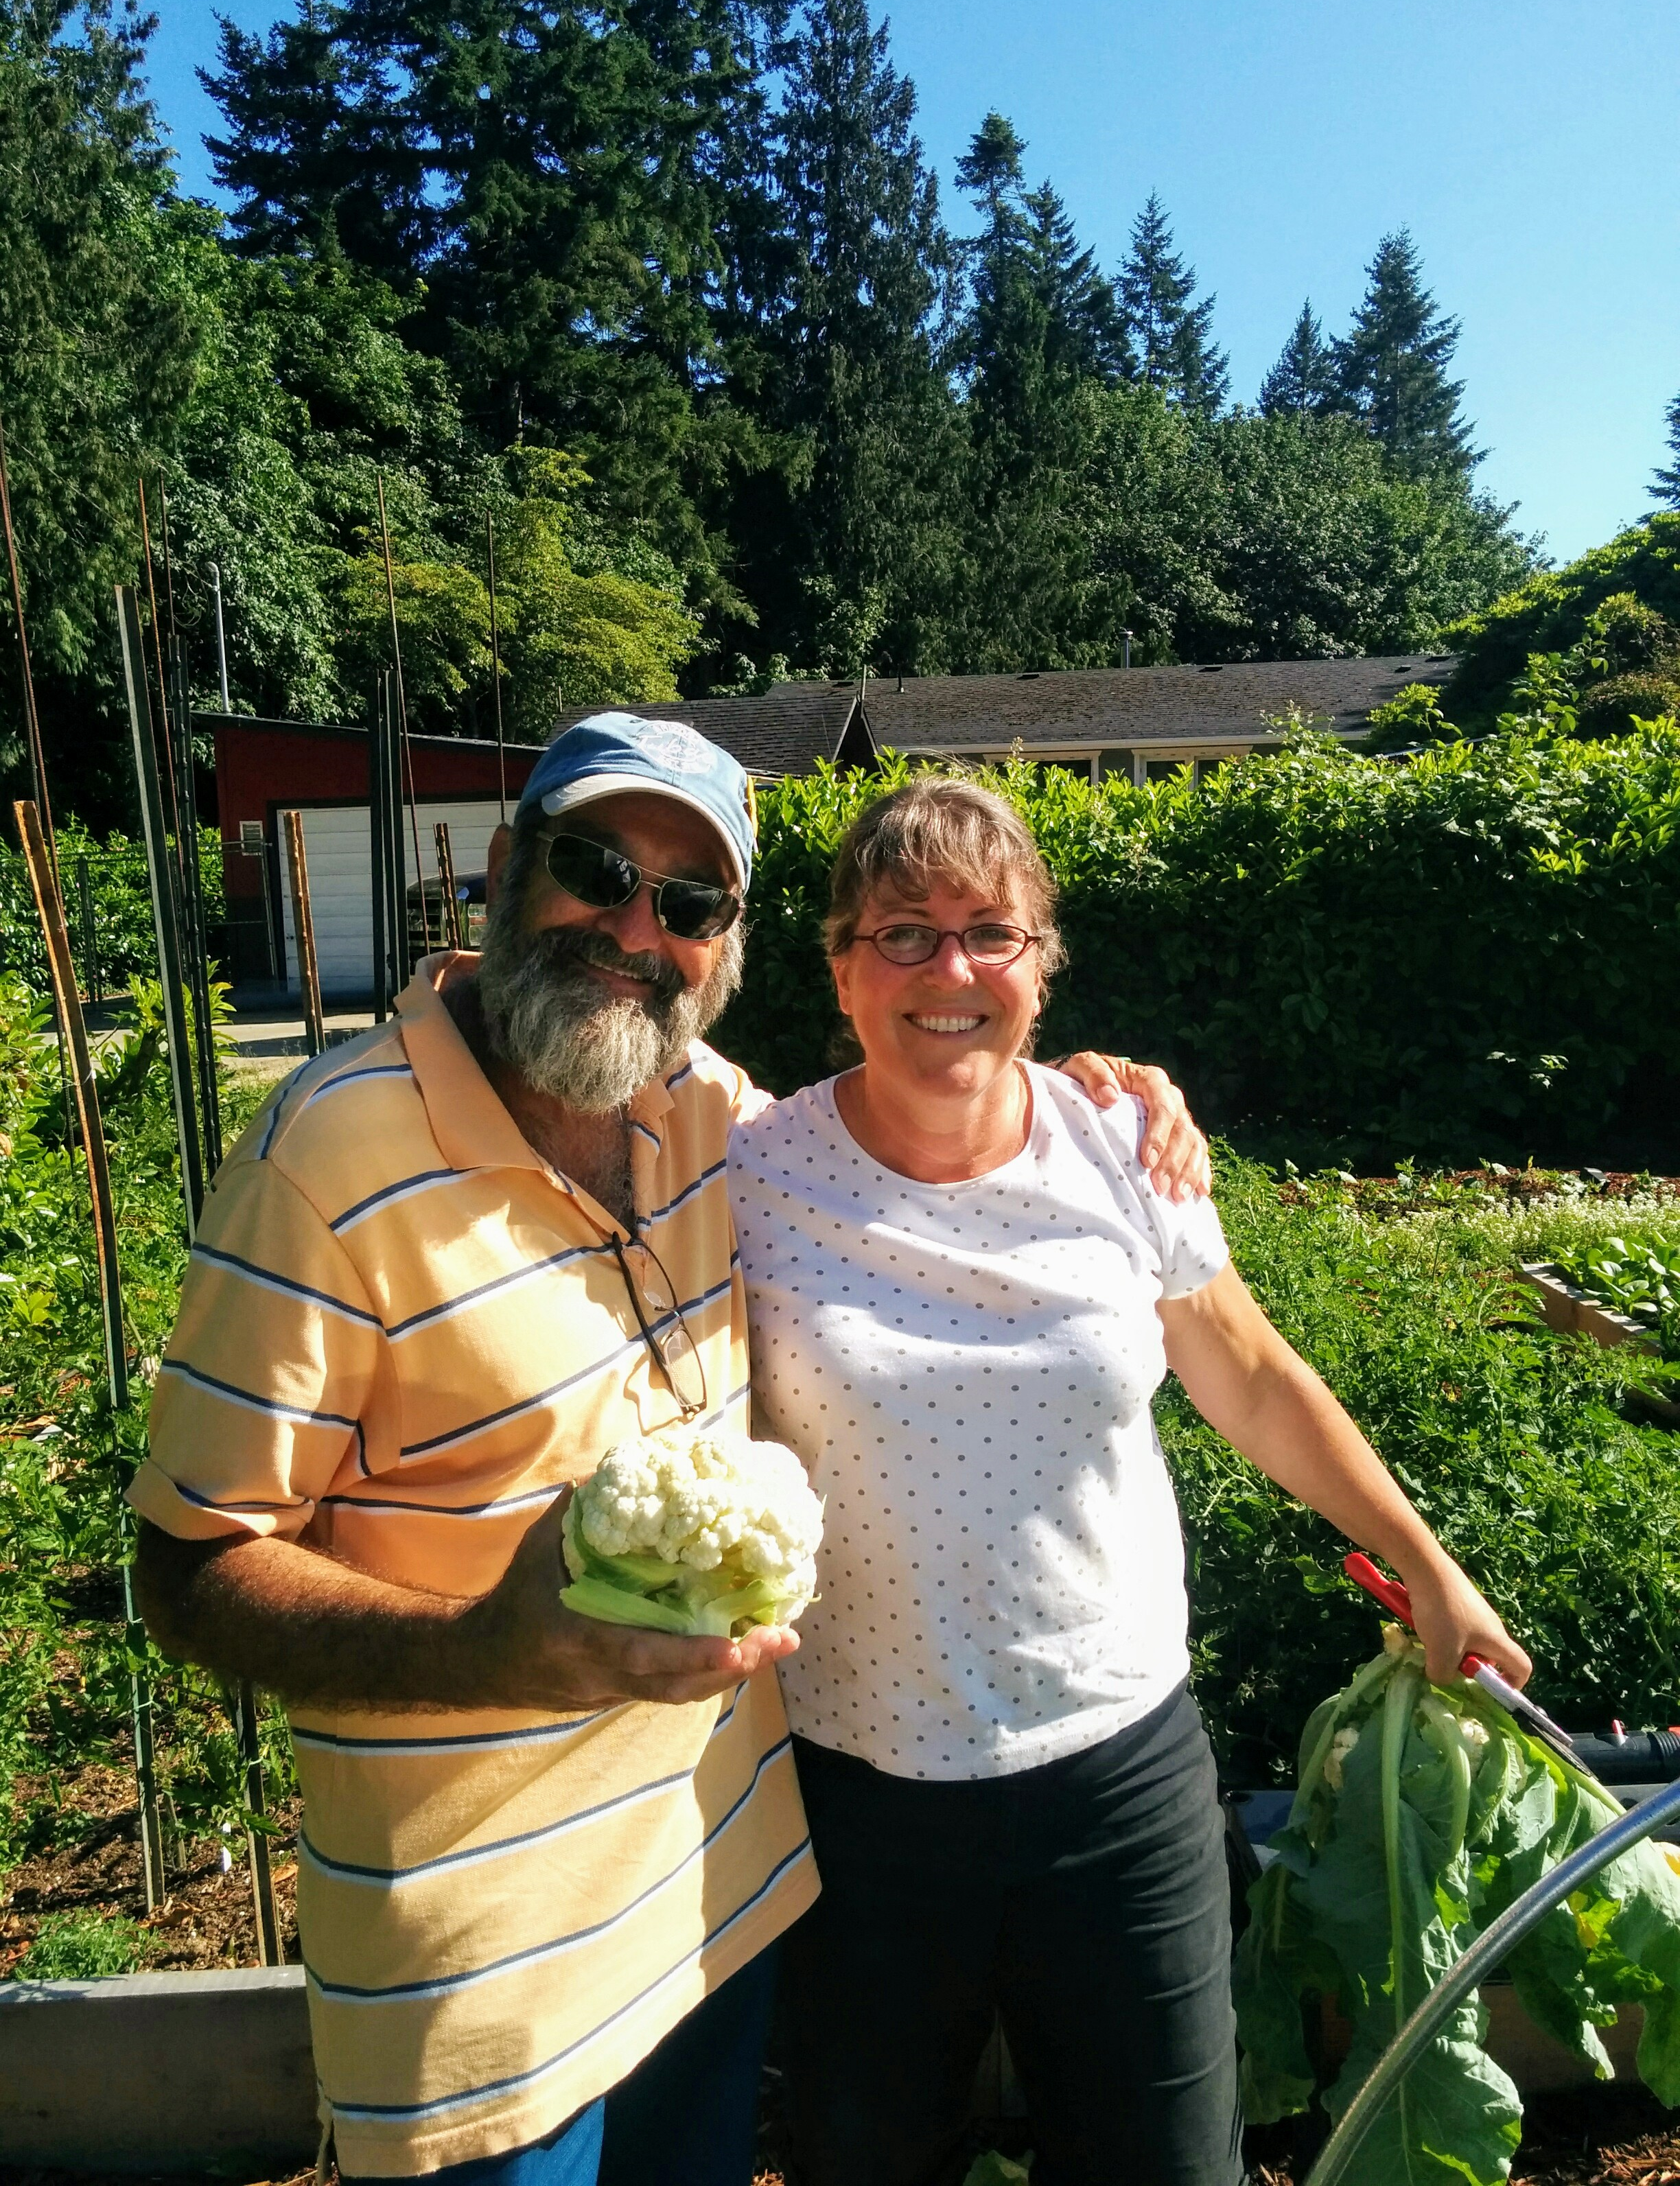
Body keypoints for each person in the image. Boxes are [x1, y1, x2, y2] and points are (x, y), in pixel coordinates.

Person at [130, 716, 1207, 2186]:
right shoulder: (325, 1159)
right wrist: (491, 1651)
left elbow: (931, 1096)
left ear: (731, 947)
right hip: (484, 1996)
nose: (637, 929)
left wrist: (1102, 1095)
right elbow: (190, 1570)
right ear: (506, 870)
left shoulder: (707, 1121)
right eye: (597, 870)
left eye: (690, 902)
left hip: (715, 1921)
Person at [727, 776, 1532, 2186]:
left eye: (994, 931)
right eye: (905, 933)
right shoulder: (748, 1181)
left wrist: (1425, 1562)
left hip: (1118, 1787)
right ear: (842, 966)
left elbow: (1254, 1376)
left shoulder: (1120, 1143)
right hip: (860, 1799)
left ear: (1040, 967)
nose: (953, 971)